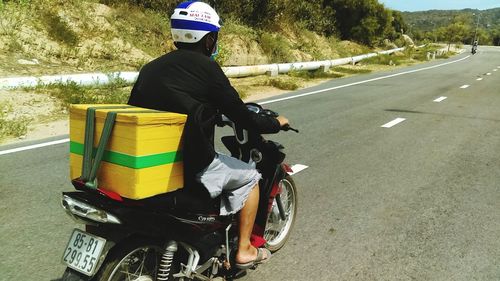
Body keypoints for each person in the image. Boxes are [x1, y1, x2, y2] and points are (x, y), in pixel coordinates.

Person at [127, 1, 289, 269]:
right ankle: (245, 249)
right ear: (208, 39)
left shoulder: (151, 68)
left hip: (151, 163)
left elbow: (137, 110)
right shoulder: (207, 69)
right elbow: (243, 116)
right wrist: (275, 122)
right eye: (215, 38)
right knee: (250, 178)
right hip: (191, 166)